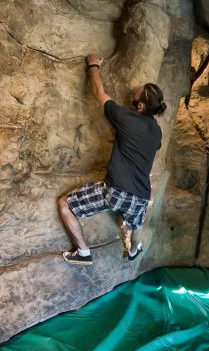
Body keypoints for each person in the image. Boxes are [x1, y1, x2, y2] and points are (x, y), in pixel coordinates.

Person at [58, 54, 166, 265]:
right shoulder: (157, 131)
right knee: (136, 224)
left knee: (65, 204)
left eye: (136, 93)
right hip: (142, 195)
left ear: (141, 106)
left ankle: (83, 252)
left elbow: (99, 92)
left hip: (117, 190)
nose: (132, 92)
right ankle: (134, 251)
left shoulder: (124, 117)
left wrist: (93, 66)